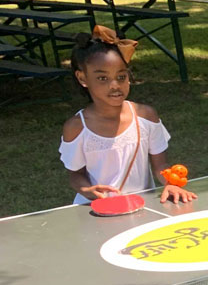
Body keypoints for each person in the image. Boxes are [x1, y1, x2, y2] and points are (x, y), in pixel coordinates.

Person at [60, 26, 197, 206]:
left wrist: (170, 184)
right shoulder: (76, 127)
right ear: (82, 78)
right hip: (96, 210)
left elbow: (161, 166)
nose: (115, 85)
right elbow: (76, 175)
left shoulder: (146, 116)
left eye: (121, 76)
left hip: (141, 207)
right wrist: (88, 191)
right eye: (103, 78)